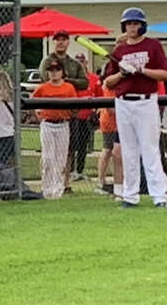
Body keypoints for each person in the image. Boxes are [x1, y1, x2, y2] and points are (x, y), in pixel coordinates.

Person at [101, 7, 167, 208]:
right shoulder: (119, 51)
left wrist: (141, 70)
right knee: (128, 152)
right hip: (123, 102)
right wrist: (123, 73)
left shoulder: (153, 45)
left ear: (143, 25)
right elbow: (109, 81)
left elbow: (165, 74)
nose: (132, 27)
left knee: (150, 150)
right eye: (129, 24)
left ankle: (159, 196)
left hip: (146, 101)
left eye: (136, 23)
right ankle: (130, 196)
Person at [32, 60, 78, 199]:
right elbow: (31, 102)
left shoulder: (68, 88)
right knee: (48, 157)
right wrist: (38, 116)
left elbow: (75, 106)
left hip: (63, 124)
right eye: (51, 70)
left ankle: (58, 189)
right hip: (47, 124)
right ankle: (46, 188)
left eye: (57, 69)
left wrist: (70, 114)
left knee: (61, 158)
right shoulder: (43, 88)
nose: (54, 72)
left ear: (62, 72)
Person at [67, 53, 100, 183]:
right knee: (71, 145)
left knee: (83, 145)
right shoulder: (72, 79)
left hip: (86, 117)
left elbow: (99, 96)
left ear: (86, 62)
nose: (80, 63)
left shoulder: (93, 78)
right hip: (73, 116)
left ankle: (80, 170)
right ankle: (70, 170)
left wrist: (95, 111)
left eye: (82, 61)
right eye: (78, 61)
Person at [96, 84, 123, 197]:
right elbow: (110, 108)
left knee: (116, 153)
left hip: (119, 123)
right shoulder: (110, 85)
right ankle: (100, 181)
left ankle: (117, 179)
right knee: (107, 150)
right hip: (110, 123)